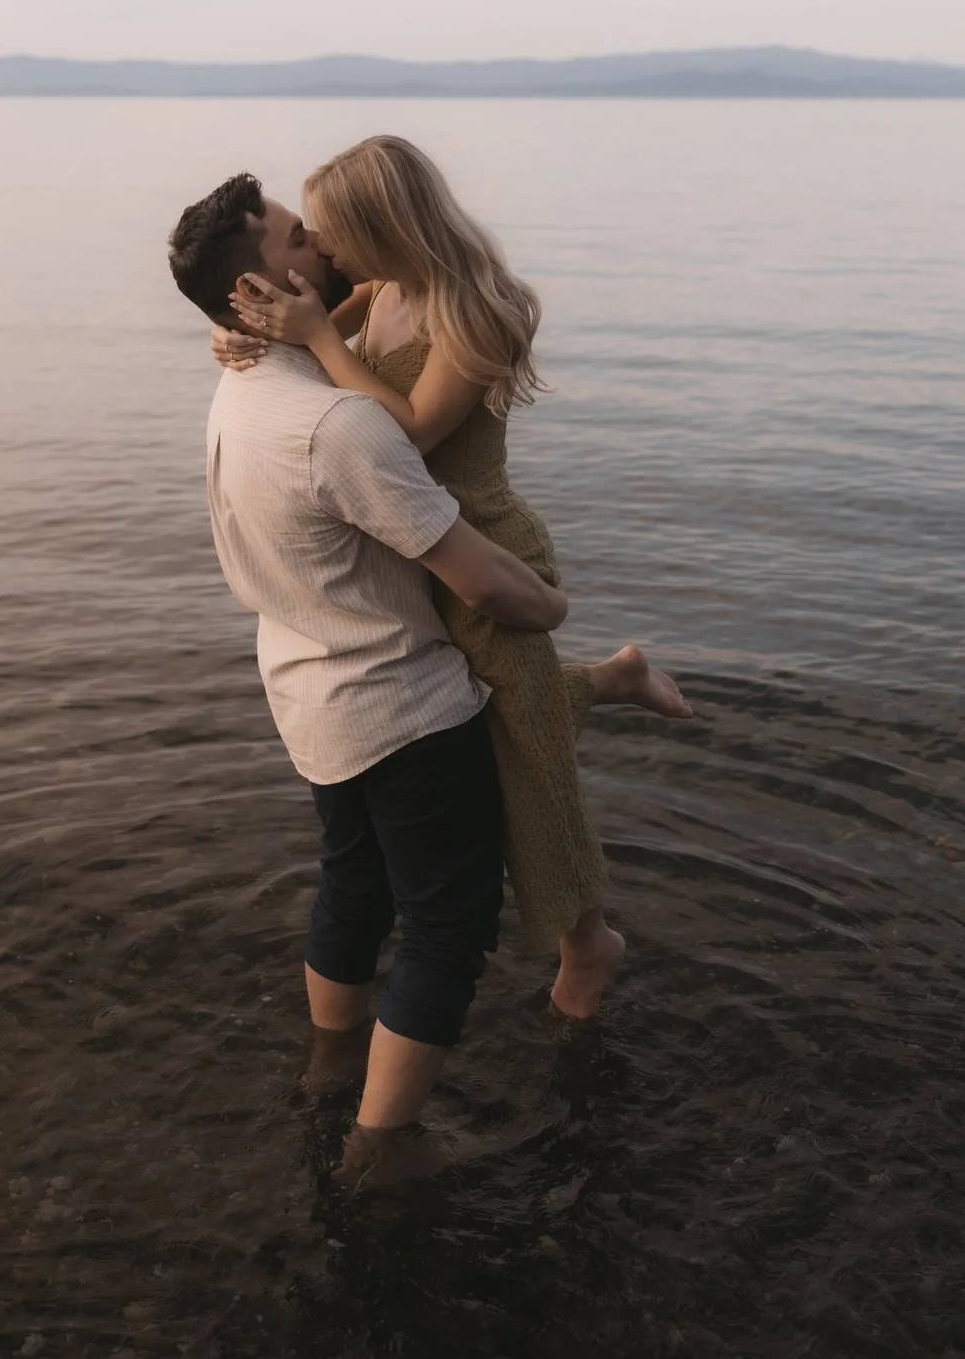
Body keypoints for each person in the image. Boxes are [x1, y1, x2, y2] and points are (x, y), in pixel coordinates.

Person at [215, 134, 692, 1018]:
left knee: (526, 760)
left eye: (332, 232)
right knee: (494, 722)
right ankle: (611, 678)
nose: (322, 249)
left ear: (381, 224)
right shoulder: (382, 288)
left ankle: (588, 942)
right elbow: (318, 348)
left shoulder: (478, 309)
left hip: (483, 546)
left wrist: (319, 333)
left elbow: (409, 434)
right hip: (415, 548)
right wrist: (249, 334)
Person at [168, 172, 574, 1182]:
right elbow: (482, 580)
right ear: (266, 284)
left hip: (305, 697)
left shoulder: (238, 390)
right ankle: (379, 1144)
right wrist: (548, 609)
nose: (326, 244)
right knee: (445, 927)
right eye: (301, 235)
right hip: (398, 705)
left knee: (352, 886)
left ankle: (327, 1067)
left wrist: (280, 333)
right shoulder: (338, 427)